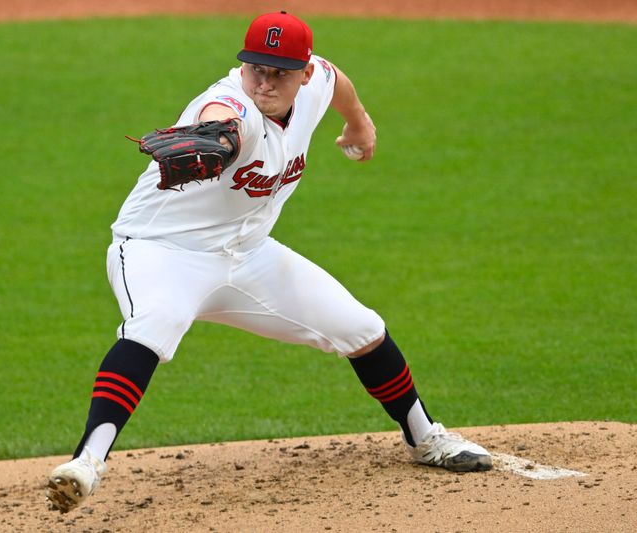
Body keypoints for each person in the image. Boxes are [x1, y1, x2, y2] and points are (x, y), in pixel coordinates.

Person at [45, 11, 491, 513]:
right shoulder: (232, 104)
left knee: (362, 327)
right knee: (154, 325)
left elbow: (335, 78)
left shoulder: (315, 79)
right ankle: (86, 463)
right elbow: (220, 114)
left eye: (280, 71)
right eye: (257, 67)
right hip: (163, 251)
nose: (265, 81)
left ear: (302, 73)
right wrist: (220, 132)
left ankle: (424, 437)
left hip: (249, 254)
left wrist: (359, 121)